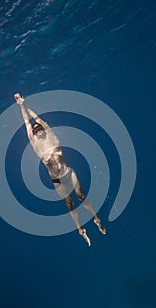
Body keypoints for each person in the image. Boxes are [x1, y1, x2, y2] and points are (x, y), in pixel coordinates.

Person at [14, 93, 106, 246]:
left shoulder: (52, 136)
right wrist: (21, 105)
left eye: (39, 126)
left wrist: (27, 106)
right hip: (57, 180)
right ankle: (80, 230)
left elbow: (37, 120)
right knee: (70, 205)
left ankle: (97, 219)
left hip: (68, 173)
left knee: (81, 196)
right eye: (35, 129)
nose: (37, 128)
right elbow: (27, 122)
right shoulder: (35, 144)